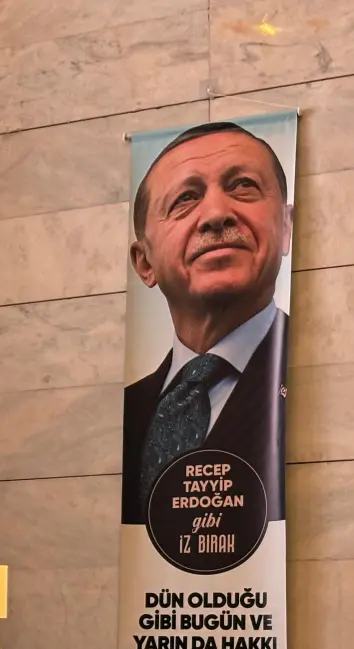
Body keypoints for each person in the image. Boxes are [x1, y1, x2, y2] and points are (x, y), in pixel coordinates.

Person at [122, 120, 293, 524]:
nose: (216, 214)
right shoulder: (132, 409)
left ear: (287, 228)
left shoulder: (312, 376)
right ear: (145, 263)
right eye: (185, 198)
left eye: (243, 186)